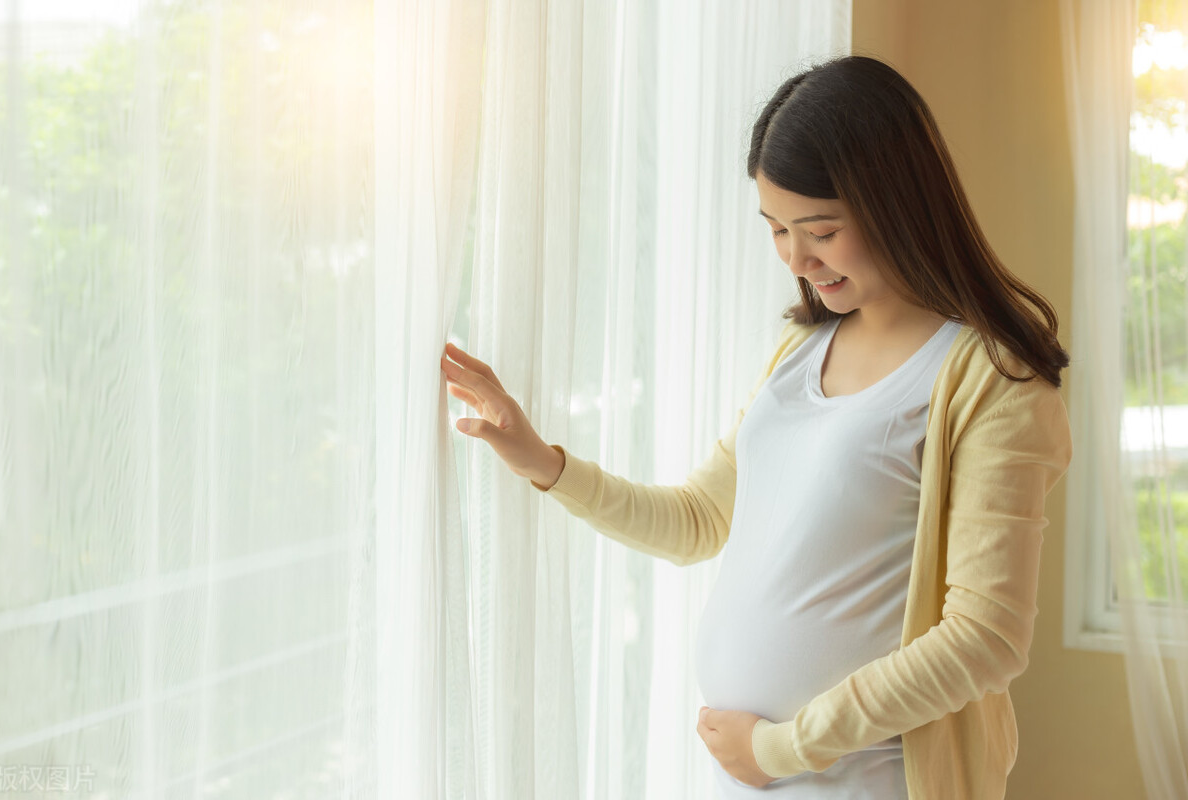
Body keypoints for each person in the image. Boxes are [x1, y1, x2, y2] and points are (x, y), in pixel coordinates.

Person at [439, 55, 1071, 800]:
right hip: (752, 775)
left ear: (898, 204)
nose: (797, 259)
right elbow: (699, 519)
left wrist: (781, 748)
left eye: (821, 231)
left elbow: (985, 641)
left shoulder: (991, 381)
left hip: (867, 780)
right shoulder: (803, 349)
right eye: (776, 229)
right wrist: (541, 460)